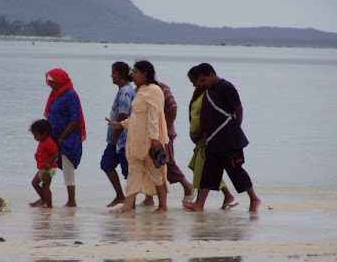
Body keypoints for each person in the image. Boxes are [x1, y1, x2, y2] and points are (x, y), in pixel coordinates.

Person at [183, 63, 261, 213]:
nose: (201, 84)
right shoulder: (208, 90)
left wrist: (236, 129)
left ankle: (254, 199)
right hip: (213, 139)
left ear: (212, 75)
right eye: (199, 81)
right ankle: (199, 204)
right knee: (209, 171)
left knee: (235, 171)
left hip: (229, 140)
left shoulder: (226, 87)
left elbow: (239, 108)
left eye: (203, 80)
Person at [105, 61, 170, 213]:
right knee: (134, 172)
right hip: (136, 141)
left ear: (145, 73)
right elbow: (137, 116)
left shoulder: (154, 90)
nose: (132, 75)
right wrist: (121, 124)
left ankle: (162, 207)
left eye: (135, 72)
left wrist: (155, 139)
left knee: (156, 173)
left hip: (149, 141)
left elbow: (154, 116)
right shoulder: (141, 90)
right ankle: (127, 206)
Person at [186, 66, 237, 210]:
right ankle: (224, 197)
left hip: (206, 137)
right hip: (200, 137)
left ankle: (207, 201)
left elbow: (204, 116)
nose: (195, 85)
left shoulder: (207, 94)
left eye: (196, 81)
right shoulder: (199, 93)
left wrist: (200, 133)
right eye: (193, 82)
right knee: (204, 168)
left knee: (207, 169)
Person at [44, 68, 86, 207]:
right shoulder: (55, 94)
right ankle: (44, 196)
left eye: (52, 81)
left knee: (68, 167)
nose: (49, 84)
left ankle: (71, 200)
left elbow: (75, 119)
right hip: (54, 136)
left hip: (68, 137)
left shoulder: (70, 95)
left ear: (59, 80)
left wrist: (62, 138)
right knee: (46, 164)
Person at [101, 61, 136, 207]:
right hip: (117, 140)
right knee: (106, 164)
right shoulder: (123, 90)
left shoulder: (126, 93)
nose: (111, 75)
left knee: (128, 172)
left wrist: (115, 137)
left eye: (114, 73)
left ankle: (130, 202)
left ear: (121, 75)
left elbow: (123, 116)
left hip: (122, 140)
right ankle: (121, 196)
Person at [29, 119, 59, 208]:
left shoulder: (49, 142)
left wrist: (49, 164)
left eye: (36, 135)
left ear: (44, 134)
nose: (35, 138)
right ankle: (44, 200)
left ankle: (49, 205)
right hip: (42, 168)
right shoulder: (42, 142)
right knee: (34, 183)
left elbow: (56, 153)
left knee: (45, 186)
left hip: (49, 168)